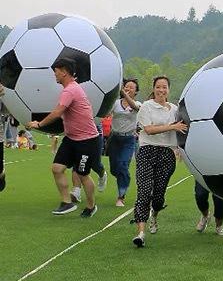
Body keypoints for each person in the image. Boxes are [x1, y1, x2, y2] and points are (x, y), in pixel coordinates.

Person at [27, 57, 100, 217]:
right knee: (57, 168)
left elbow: (57, 112)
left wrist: (38, 124)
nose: (55, 75)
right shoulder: (69, 89)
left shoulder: (70, 90)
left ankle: (91, 206)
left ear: (65, 72)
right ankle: (67, 203)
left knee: (82, 174)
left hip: (87, 141)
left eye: (56, 72)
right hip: (71, 138)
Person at [131, 76, 187, 247]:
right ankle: (140, 232)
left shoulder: (175, 110)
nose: (161, 90)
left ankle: (154, 215)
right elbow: (148, 130)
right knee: (144, 191)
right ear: (153, 88)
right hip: (147, 151)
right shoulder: (146, 107)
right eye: (158, 87)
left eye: (164, 87)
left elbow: (183, 128)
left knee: (158, 196)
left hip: (167, 154)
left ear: (168, 90)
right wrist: (172, 127)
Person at [107, 79, 141, 206]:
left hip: (128, 140)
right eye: (126, 86)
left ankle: (121, 197)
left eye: (131, 88)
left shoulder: (138, 103)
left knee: (122, 165)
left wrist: (123, 93)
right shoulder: (116, 103)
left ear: (136, 91)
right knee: (114, 169)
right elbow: (107, 113)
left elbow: (135, 108)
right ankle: (123, 177)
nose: (128, 89)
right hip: (114, 139)